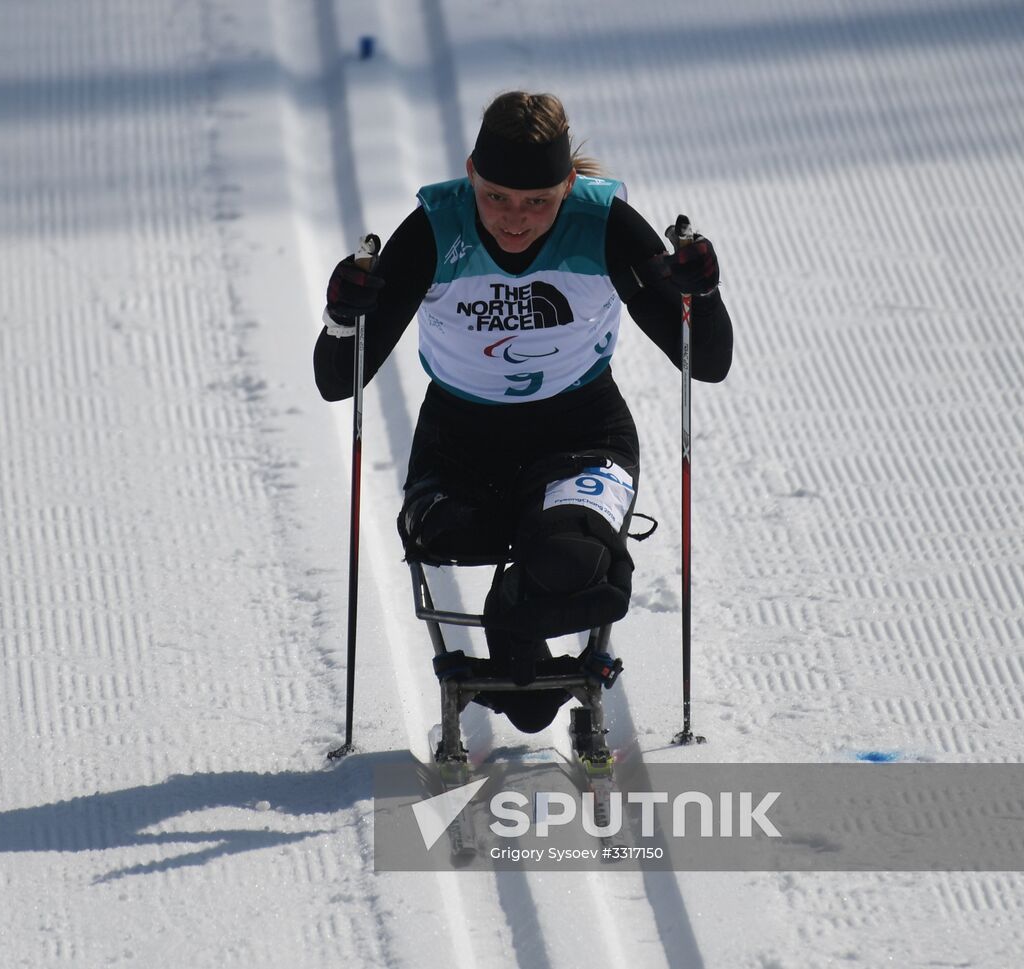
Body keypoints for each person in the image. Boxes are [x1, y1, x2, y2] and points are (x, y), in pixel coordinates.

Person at [312, 91, 734, 734]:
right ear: (471, 173)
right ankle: (525, 650)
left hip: (582, 434)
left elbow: (706, 361)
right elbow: (337, 381)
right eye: (497, 196)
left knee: (580, 568)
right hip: (460, 441)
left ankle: (517, 622)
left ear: (568, 184)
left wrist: (701, 296)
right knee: (453, 538)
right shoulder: (434, 230)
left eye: (538, 201)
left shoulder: (606, 227)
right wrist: (344, 316)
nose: (515, 219)